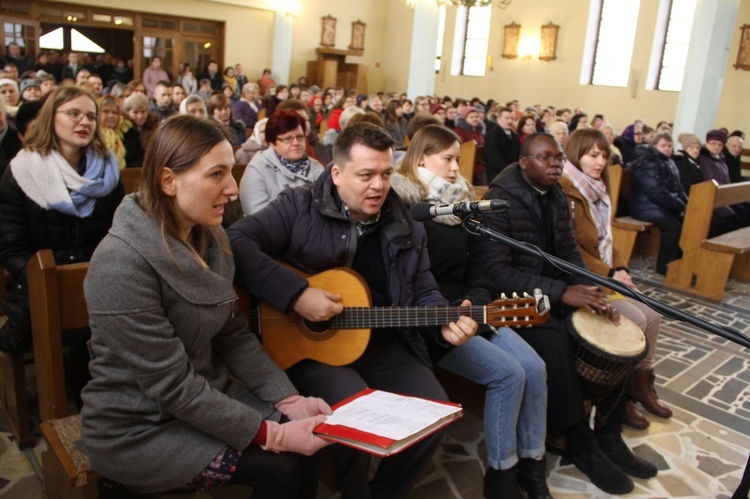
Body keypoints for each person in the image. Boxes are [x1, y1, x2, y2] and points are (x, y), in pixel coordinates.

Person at [78, 115, 331, 497]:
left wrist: (288, 399)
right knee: (279, 465)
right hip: (138, 425)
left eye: (231, 172)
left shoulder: (210, 240)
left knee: (313, 444)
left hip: (203, 398)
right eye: (217, 174)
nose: (232, 189)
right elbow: (171, 386)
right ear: (168, 180)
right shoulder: (120, 263)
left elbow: (234, 336)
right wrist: (275, 434)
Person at [227, 122, 478, 499]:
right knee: (352, 415)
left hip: (380, 341)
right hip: (313, 348)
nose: (378, 185)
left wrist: (443, 321)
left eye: (385, 173)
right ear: (338, 173)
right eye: (365, 175)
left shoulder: (407, 224)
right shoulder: (298, 206)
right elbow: (236, 240)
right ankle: (354, 489)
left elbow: (424, 289)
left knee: (436, 412)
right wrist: (296, 295)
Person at [474, 132, 659, 496]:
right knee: (558, 341)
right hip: (513, 302)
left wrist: (591, 288)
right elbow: (498, 272)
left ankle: (608, 434)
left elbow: (569, 252)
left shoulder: (556, 195)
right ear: (524, 162)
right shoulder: (500, 200)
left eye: (558, 158)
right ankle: (580, 441)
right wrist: (564, 292)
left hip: (553, 293)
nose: (555, 164)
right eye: (545, 158)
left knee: (617, 326)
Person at [391, 125, 550, 499]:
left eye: (457, 160)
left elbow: (478, 262)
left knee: (536, 368)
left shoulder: (462, 202)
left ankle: (533, 465)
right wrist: (453, 312)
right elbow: (409, 281)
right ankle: (501, 474)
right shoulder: (407, 207)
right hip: (432, 321)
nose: (453, 168)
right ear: (421, 158)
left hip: (472, 308)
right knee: (508, 374)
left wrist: (477, 298)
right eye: (446, 159)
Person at [0, 86, 124, 408]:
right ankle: (78, 410)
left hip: (96, 277)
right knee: (79, 331)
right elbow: (10, 246)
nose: (84, 121)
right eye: (73, 114)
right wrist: (46, 282)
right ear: (51, 118)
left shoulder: (107, 171)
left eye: (91, 117)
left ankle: (108, 407)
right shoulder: (22, 170)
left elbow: (120, 232)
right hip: (36, 281)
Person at [559, 128, 672, 428]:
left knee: (654, 315)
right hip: (583, 280)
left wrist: (621, 268)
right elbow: (573, 249)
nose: (599, 162)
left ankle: (641, 389)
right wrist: (609, 273)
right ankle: (619, 400)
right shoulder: (566, 189)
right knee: (636, 318)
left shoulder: (599, 190)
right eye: (592, 155)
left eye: (603, 155)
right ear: (575, 154)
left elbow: (607, 240)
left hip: (606, 275)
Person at [239, 110, 324, 216]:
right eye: (288, 139)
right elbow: (259, 219)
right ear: (272, 143)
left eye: (300, 137)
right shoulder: (257, 170)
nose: (296, 143)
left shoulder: (316, 167)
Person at [629, 132, 688, 274]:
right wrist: (681, 205)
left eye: (669, 146)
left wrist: (688, 203)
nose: (667, 149)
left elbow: (678, 187)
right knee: (673, 227)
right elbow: (655, 192)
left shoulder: (668, 161)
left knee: (687, 222)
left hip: (659, 206)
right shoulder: (648, 161)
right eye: (663, 146)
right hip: (644, 207)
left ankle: (678, 262)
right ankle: (664, 266)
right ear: (654, 146)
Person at [98, 95, 144, 168]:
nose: (110, 116)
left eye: (114, 112)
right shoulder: (93, 134)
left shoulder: (129, 132)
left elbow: (140, 158)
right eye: (105, 111)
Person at [485, 106, 522, 182]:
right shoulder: (492, 135)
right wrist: (510, 170)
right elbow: (493, 159)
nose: (510, 121)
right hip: (497, 174)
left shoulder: (515, 135)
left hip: (513, 172)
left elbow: (519, 154)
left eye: (512, 119)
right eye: (507, 118)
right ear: (498, 120)